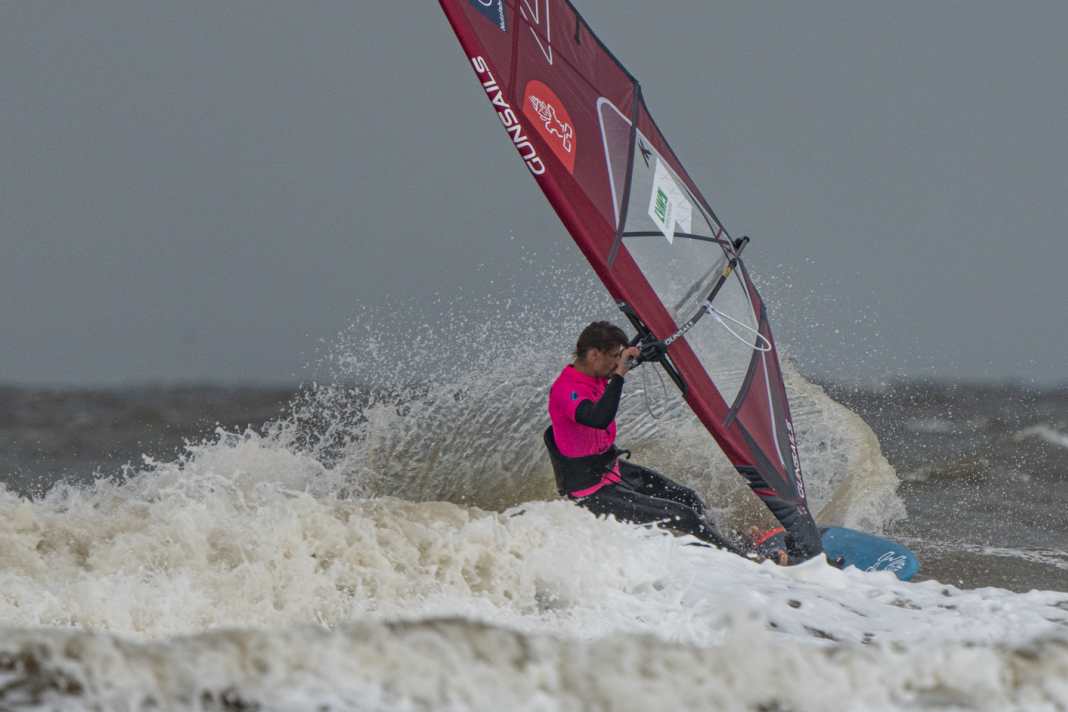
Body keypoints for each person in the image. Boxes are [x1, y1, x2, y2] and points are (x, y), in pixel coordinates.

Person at [544, 320, 759, 557]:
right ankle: (747, 561)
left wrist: (645, 353)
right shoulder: (566, 388)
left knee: (688, 498)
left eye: (619, 357)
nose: (617, 363)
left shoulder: (596, 374)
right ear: (594, 354)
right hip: (591, 492)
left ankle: (736, 542)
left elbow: (621, 368)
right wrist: (620, 374)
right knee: (682, 516)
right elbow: (598, 418)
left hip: (611, 471)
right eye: (614, 357)